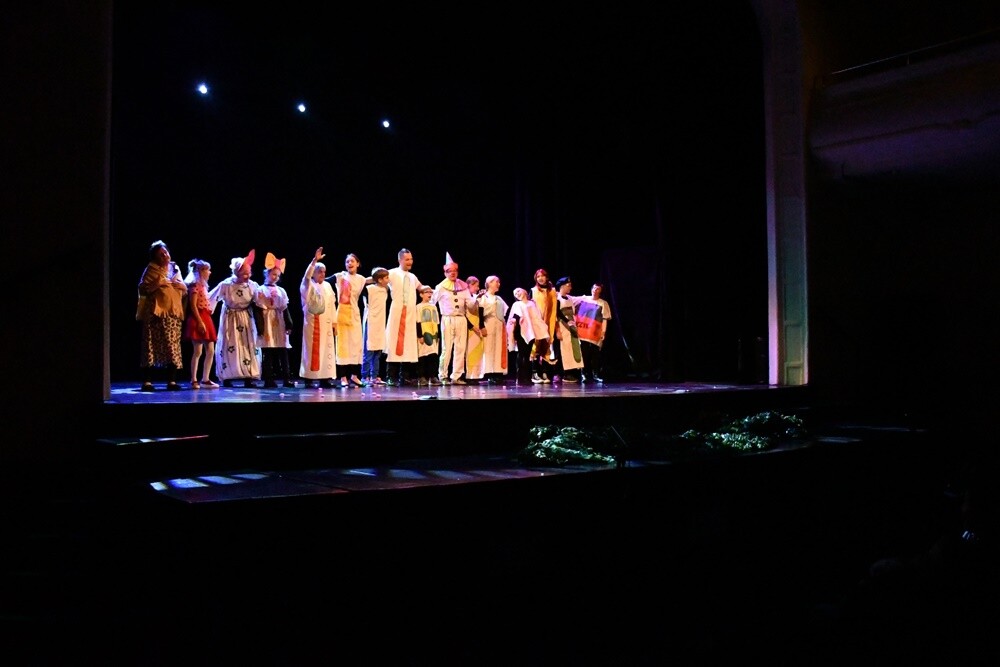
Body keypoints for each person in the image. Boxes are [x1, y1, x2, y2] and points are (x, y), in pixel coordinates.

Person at [136, 240, 188, 391]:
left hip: (172, 314)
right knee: (151, 345)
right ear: (155, 258)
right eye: (161, 254)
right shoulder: (151, 270)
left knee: (172, 346)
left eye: (166, 252)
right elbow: (143, 289)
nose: (165, 255)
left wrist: (183, 287)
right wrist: (158, 283)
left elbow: (184, 290)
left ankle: (172, 381)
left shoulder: (175, 268)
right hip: (155, 314)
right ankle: (147, 381)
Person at [207, 250, 262, 388]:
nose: (248, 276)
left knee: (248, 345)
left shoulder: (252, 285)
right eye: (244, 274)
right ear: (236, 272)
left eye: (249, 273)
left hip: (247, 318)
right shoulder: (226, 285)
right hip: (230, 318)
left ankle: (249, 376)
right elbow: (211, 298)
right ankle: (227, 376)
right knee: (230, 345)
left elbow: (260, 301)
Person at [431, 253, 479, 385]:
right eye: (449, 271)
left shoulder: (463, 286)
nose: (452, 273)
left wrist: (475, 299)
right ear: (445, 273)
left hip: (461, 319)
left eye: (454, 271)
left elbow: (470, 304)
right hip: (447, 319)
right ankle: (443, 375)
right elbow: (432, 303)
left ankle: (456, 376)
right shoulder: (441, 287)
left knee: (460, 348)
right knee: (446, 348)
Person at [384, 248, 425, 386]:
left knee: (408, 344)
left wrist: (437, 290)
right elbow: (378, 278)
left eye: (411, 259)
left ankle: (405, 376)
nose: (410, 262)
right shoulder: (392, 273)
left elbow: (421, 288)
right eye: (407, 259)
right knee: (394, 342)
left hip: (410, 315)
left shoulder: (412, 276)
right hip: (397, 313)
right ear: (400, 260)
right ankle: (391, 376)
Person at [299, 247, 338, 389]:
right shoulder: (309, 285)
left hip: (326, 325)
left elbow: (332, 305)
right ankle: (309, 378)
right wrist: (314, 261)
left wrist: (334, 323)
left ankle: (325, 378)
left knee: (326, 351)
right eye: (319, 271)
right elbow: (306, 277)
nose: (322, 274)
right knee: (311, 351)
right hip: (313, 324)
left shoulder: (327, 286)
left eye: (324, 272)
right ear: (314, 273)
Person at [255, 252, 295, 389]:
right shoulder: (260, 290)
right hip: (267, 321)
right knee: (268, 352)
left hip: (279, 321)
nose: (276, 278)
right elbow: (258, 310)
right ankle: (268, 379)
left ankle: (286, 378)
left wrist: (289, 324)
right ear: (266, 273)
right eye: (273, 275)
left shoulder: (281, 291)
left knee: (283, 351)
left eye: (278, 276)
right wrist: (260, 328)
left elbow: (285, 308)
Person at [331, 252, 367, 387]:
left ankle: (355, 376)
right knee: (343, 346)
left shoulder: (361, 279)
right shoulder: (340, 277)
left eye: (352, 261)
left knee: (356, 345)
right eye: (347, 261)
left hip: (354, 315)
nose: (350, 263)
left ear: (358, 264)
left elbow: (373, 279)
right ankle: (343, 377)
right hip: (341, 315)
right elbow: (324, 280)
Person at [182, 257, 219, 389]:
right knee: (197, 351)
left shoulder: (203, 286)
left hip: (206, 317)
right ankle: (193, 379)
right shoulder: (194, 286)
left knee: (210, 350)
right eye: (208, 270)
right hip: (198, 317)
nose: (210, 272)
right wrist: (199, 321)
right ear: (201, 271)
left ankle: (205, 379)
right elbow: (193, 305)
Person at [468, 275, 508, 385]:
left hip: (499, 325)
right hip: (488, 323)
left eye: (499, 282)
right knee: (489, 349)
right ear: (489, 283)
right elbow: (480, 313)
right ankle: (490, 373)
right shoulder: (484, 297)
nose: (498, 284)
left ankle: (498, 372)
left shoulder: (499, 298)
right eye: (496, 282)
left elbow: (503, 313)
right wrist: (482, 326)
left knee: (498, 348)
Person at [506, 287, 549, 385]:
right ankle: (520, 377)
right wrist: (515, 320)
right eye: (515, 294)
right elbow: (514, 316)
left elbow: (536, 318)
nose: (517, 293)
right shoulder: (517, 304)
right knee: (521, 354)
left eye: (518, 291)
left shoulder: (532, 304)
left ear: (524, 291)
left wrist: (542, 330)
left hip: (531, 331)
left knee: (528, 355)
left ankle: (528, 378)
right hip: (520, 331)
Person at [577, 282, 612, 382]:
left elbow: (604, 319)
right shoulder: (583, 299)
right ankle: (583, 374)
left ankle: (595, 374)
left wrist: (603, 332)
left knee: (595, 354)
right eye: (594, 288)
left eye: (598, 289)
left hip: (595, 333)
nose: (595, 291)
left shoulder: (603, 303)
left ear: (600, 291)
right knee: (583, 353)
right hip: (583, 332)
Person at [553, 276, 585, 383]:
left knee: (571, 349)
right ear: (562, 286)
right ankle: (558, 373)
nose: (570, 287)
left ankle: (569, 373)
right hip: (562, 326)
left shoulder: (570, 298)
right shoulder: (557, 298)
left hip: (571, 327)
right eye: (568, 285)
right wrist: (558, 330)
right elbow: (556, 314)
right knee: (562, 350)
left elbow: (582, 298)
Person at [529, 268, 559, 383]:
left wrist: (556, 327)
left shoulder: (552, 291)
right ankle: (535, 373)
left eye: (542, 276)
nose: (540, 278)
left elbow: (555, 309)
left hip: (548, 323)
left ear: (546, 277)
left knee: (546, 347)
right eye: (538, 276)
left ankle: (544, 372)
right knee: (536, 347)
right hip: (537, 323)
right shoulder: (533, 291)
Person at [362, 266, 390, 385]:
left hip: (380, 323)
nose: (388, 279)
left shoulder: (385, 289)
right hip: (371, 322)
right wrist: (372, 279)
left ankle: (374, 376)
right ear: (379, 279)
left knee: (377, 352)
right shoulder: (369, 289)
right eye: (386, 278)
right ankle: (365, 376)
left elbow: (388, 286)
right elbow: (360, 283)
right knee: (368, 351)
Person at [463, 275, 487, 384]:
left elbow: (480, 312)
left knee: (477, 352)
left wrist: (481, 326)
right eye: (476, 286)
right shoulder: (465, 297)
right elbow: (464, 314)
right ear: (469, 285)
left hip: (477, 327)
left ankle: (476, 375)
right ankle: (469, 375)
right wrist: (472, 327)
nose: (477, 288)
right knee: (470, 352)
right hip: (470, 328)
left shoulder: (475, 297)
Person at [415, 285, 440, 386]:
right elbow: (417, 322)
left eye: (431, 292)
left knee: (433, 356)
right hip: (424, 334)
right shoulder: (418, 307)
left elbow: (437, 322)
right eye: (427, 292)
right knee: (423, 356)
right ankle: (421, 377)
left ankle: (432, 376)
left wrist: (438, 336)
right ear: (421, 295)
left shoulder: (433, 306)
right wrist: (420, 336)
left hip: (433, 334)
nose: (429, 294)